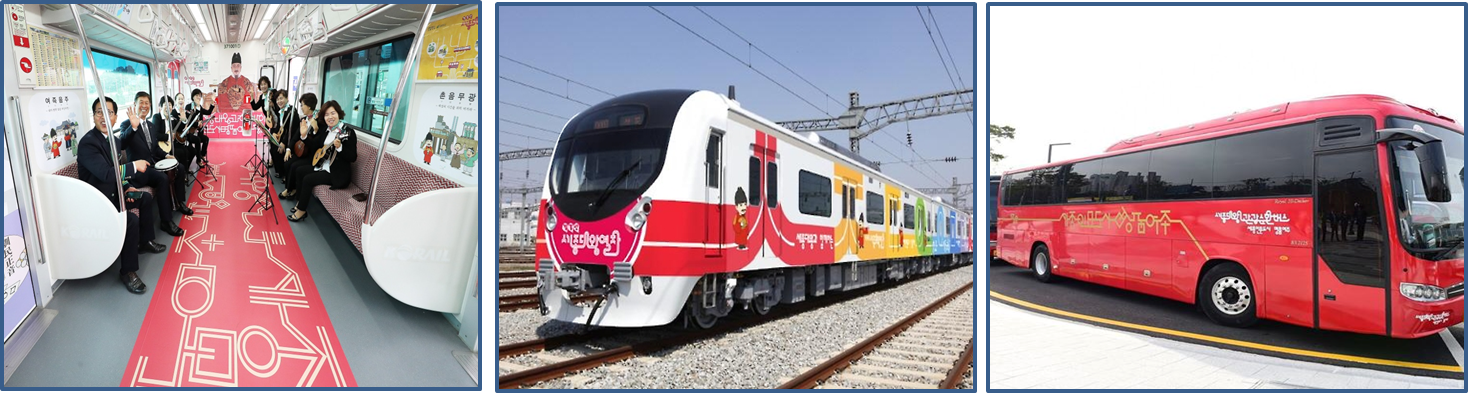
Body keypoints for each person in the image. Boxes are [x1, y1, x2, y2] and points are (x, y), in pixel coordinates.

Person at [77, 97, 166, 294]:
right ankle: (127, 272)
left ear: (115, 117)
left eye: (109, 112)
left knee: (144, 198)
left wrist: (126, 187)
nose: (104, 117)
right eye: (99, 112)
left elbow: (116, 172)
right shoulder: (88, 144)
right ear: (94, 116)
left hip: (113, 193)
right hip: (98, 201)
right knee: (130, 220)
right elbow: (106, 174)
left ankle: (145, 242)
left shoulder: (113, 140)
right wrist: (134, 166)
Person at [117, 92, 188, 235]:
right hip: (139, 170)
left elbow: (154, 149)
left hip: (153, 163)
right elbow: (122, 144)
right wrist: (133, 127)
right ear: (135, 104)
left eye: (147, 103)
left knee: (179, 167)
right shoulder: (127, 124)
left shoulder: (150, 125)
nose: (144, 106)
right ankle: (166, 221)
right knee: (162, 178)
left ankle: (179, 202)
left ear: (150, 105)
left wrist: (167, 155)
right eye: (141, 102)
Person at [282, 100, 356, 222]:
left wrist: (340, 148)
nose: (330, 117)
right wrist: (304, 136)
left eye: (333, 113)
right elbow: (314, 145)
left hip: (336, 173)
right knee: (300, 170)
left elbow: (353, 157)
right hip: (322, 165)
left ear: (339, 114)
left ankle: (301, 211)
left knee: (308, 179)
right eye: (326, 115)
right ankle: (300, 202)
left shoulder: (347, 132)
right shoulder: (327, 130)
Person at [279, 93, 321, 191]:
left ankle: (291, 190)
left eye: (302, 105)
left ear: (309, 106)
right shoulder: (303, 120)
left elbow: (317, 142)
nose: (301, 107)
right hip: (301, 151)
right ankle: (289, 188)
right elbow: (295, 136)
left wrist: (315, 129)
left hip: (311, 154)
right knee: (287, 162)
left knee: (294, 166)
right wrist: (288, 149)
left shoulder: (318, 121)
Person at [272, 90, 299, 178]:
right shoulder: (280, 111)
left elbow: (292, 130)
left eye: (281, 98)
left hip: (291, 138)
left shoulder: (292, 111)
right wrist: (274, 133)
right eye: (277, 99)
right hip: (283, 136)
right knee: (273, 148)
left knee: (278, 149)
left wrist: (283, 143)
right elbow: (279, 126)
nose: (279, 101)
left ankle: (284, 174)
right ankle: (279, 171)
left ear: (287, 98)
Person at [184, 88, 214, 158]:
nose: (199, 97)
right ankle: (198, 159)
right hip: (190, 133)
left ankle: (202, 155)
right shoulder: (188, 107)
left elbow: (208, 112)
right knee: (198, 140)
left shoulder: (199, 107)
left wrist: (212, 103)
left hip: (199, 132)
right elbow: (189, 120)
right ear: (193, 97)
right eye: (197, 95)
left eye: (200, 96)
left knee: (206, 139)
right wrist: (196, 109)